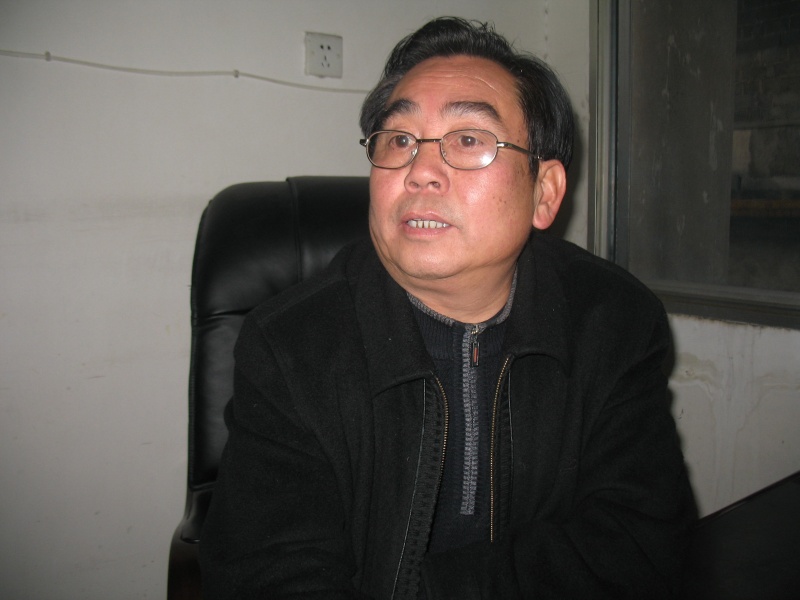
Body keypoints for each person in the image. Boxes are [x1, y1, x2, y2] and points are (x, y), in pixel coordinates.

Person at [200, 17, 696, 599]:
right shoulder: (291, 348)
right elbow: (269, 577)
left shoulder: (614, 321)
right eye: (399, 139)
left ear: (544, 193)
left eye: (468, 140)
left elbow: (642, 543)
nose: (421, 172)